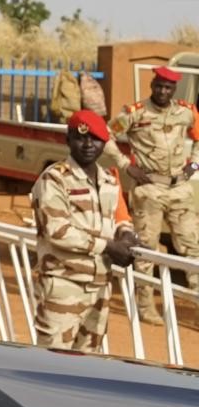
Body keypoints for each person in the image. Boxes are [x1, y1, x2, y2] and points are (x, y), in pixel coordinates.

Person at [29, 109, 137, 350]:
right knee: (52, 365)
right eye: (80, 138)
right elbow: (57, 231)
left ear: (104, 143)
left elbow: (118, 219)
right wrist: (109, 246)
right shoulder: (54, 179)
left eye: (96, 138)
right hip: (63, 284)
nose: (88, 144)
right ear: (68, 140)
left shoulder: (109, 180)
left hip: (100, 286)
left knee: (88, 365)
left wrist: (126, 234)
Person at [108, 65, 198, 324]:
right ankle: (145, 305)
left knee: (193, 248)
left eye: (168, 87)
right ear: (152, 85)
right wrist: (126, 166)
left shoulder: (186, 111)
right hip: (149, 189)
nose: (162, 90)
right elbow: (105, 134)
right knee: (147, 248)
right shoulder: (135, 113)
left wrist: (195, 163)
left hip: (179, 187)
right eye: (158, 85)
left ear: (174, 89)